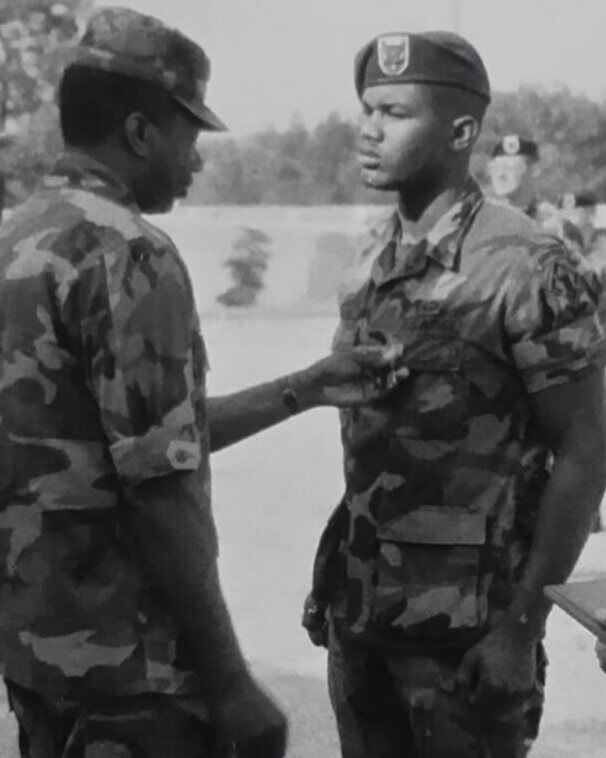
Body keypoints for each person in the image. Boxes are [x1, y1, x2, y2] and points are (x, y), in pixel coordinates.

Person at [0, 8, 409, 758]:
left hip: (37, 655)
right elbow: (158, 489)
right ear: (139, 133)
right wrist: (228, 682)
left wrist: (306, 386)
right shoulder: (127, 252)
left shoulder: (18, 235)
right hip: (131, 676)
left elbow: (122, 440)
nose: (196, 159)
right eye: (189, 134)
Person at [301, 30, 606, 758]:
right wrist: (333, 583)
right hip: (363, 622)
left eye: (396, 113)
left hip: (466, 640)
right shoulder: (374, 256)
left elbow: (588, 446)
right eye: (367, 109)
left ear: (462, 131)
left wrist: (520, 627)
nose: (369, 129)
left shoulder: (526, 265)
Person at [487, 134, 554, 221]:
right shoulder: (481, 219)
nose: (501, 175)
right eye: (495, 168)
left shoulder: (550, 222)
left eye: (509, 167)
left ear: (534, 170)